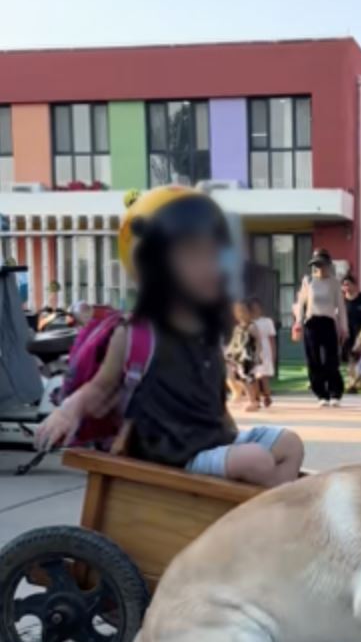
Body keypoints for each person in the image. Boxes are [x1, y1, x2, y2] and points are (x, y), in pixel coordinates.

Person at [36, 186, 303, 487]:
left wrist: (230, 436)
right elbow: (100, 389)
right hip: (173, 455)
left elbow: (214, 402)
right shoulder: (135, 334)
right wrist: (68, 411)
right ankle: (270, 516)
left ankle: (272, 510)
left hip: (212, 441)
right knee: (256, 460)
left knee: (290, 445)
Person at [294, 248, 347, 406]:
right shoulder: (308, 281)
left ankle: (335, 393)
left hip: (328, 323)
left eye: (322, 264)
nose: (319, 267)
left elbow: (341, 307)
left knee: (330, 359)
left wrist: (344, 327)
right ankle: (321, 394)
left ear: (328, 265)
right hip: (312, 323)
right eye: (316, 265)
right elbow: (301, 303)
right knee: (314, 360)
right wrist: (298, 321)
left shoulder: (334, 283)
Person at [225, 300, 260, 410]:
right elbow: (234, 343)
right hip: (238, 357)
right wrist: (229, 354)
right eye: (238, 311)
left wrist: (258, 355)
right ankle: (251, 399)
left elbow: (258, 342)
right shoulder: (237, 328)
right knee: (240, 377)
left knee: (248, 378)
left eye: (243, 311)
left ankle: (252, 401)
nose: (241, 314)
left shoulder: (252, 327)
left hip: (248, 356)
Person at [250, 296, 276, 408]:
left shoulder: (267, 321)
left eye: (257, 308)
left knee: (263, 375)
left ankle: (267, 396)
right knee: (254, 375)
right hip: (252, 349)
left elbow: (271, 338)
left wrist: (273, 353)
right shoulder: (249, 323)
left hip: (265, 349)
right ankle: (256, 398)